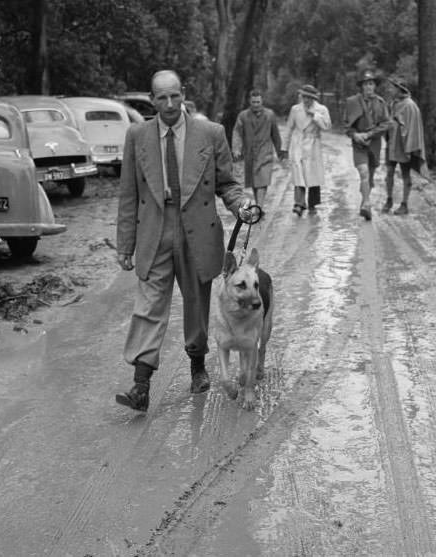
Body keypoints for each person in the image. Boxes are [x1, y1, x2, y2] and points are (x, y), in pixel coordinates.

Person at [115, 70, 253, 412]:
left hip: (197, 229)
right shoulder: (137, 136)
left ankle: (197, 365)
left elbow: (227, 184)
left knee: (196, 304)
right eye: (162, 98)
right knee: (148, 306)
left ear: (183, 94)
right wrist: (124, 244)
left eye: (175, 96)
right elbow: (128, 195)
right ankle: (141, 384)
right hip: (155, 229)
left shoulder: (211, 133)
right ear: (151, 100)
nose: (170, 104)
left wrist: (242, 205)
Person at [343, 69, 390, 220]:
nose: (369, 87)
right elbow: (346, 125)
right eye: (366, 84)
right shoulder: (352, 102)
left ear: (375, 86)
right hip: (358, 144)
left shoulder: (381, 103)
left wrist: (370, 134)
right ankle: (367, 203)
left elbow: (387, 123)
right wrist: (355, 135)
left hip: (374, 144)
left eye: (371, 84)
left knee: (369, 178)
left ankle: (364, 202)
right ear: (361, 86)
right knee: (363, 172)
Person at [231, 89, 284, 209]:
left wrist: (280, 152)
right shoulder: (243, 115)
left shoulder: (270, 115)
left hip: (265, 153)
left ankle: (259, 207)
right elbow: (237, 133)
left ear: (262, 101)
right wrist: (236, 148)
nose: (256, 104)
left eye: (258, 102)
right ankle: (259, 205)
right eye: (253, 102)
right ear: (250, 101)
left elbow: (275, 134)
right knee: (255, 182)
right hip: (250, 153)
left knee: (262, 181)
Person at [284, 84, 331, 216]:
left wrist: (315, 116)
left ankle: (312, 204)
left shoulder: (321, 109)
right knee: (299, 173)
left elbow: (327, 126)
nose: (306, 100)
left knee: (313, 175)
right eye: (304, 97)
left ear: (314, 98)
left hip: (313, 143)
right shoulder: (295, 109)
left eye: (309, 98)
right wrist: (284, 148)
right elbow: (289, 128)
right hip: (298, 142)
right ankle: (299, 203)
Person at [383, 76, 426, 216]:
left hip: (403, 145)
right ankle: (389, 199)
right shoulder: (392, 104)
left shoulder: (410, 105)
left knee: (405, 173)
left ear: (400, 89)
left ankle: (404, 204)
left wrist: (408, 143)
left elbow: (412, 128)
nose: (390, 90)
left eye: (393, 87)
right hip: (391, 144)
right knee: (389, 172)